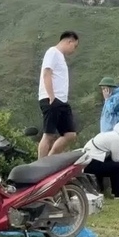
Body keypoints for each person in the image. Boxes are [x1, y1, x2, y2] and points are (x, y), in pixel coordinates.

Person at [37, 31, 79, 159]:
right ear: (69, 41)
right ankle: (40, 165)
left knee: (70, 134)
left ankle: (50, 159)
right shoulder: (52, 52)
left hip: (62, 101)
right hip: (51, 99)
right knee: (48, 134)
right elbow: (46, 73)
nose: (74, 49)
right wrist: (51, 96)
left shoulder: (60, 57)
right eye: (75, 46)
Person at [83, 122, 119, 200]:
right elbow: (116, 158)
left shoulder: (109, 135)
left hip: (88, 162)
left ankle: (106, 189)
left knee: (111, 163)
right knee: (118, 166)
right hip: (90, 163)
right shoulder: (116, 138)